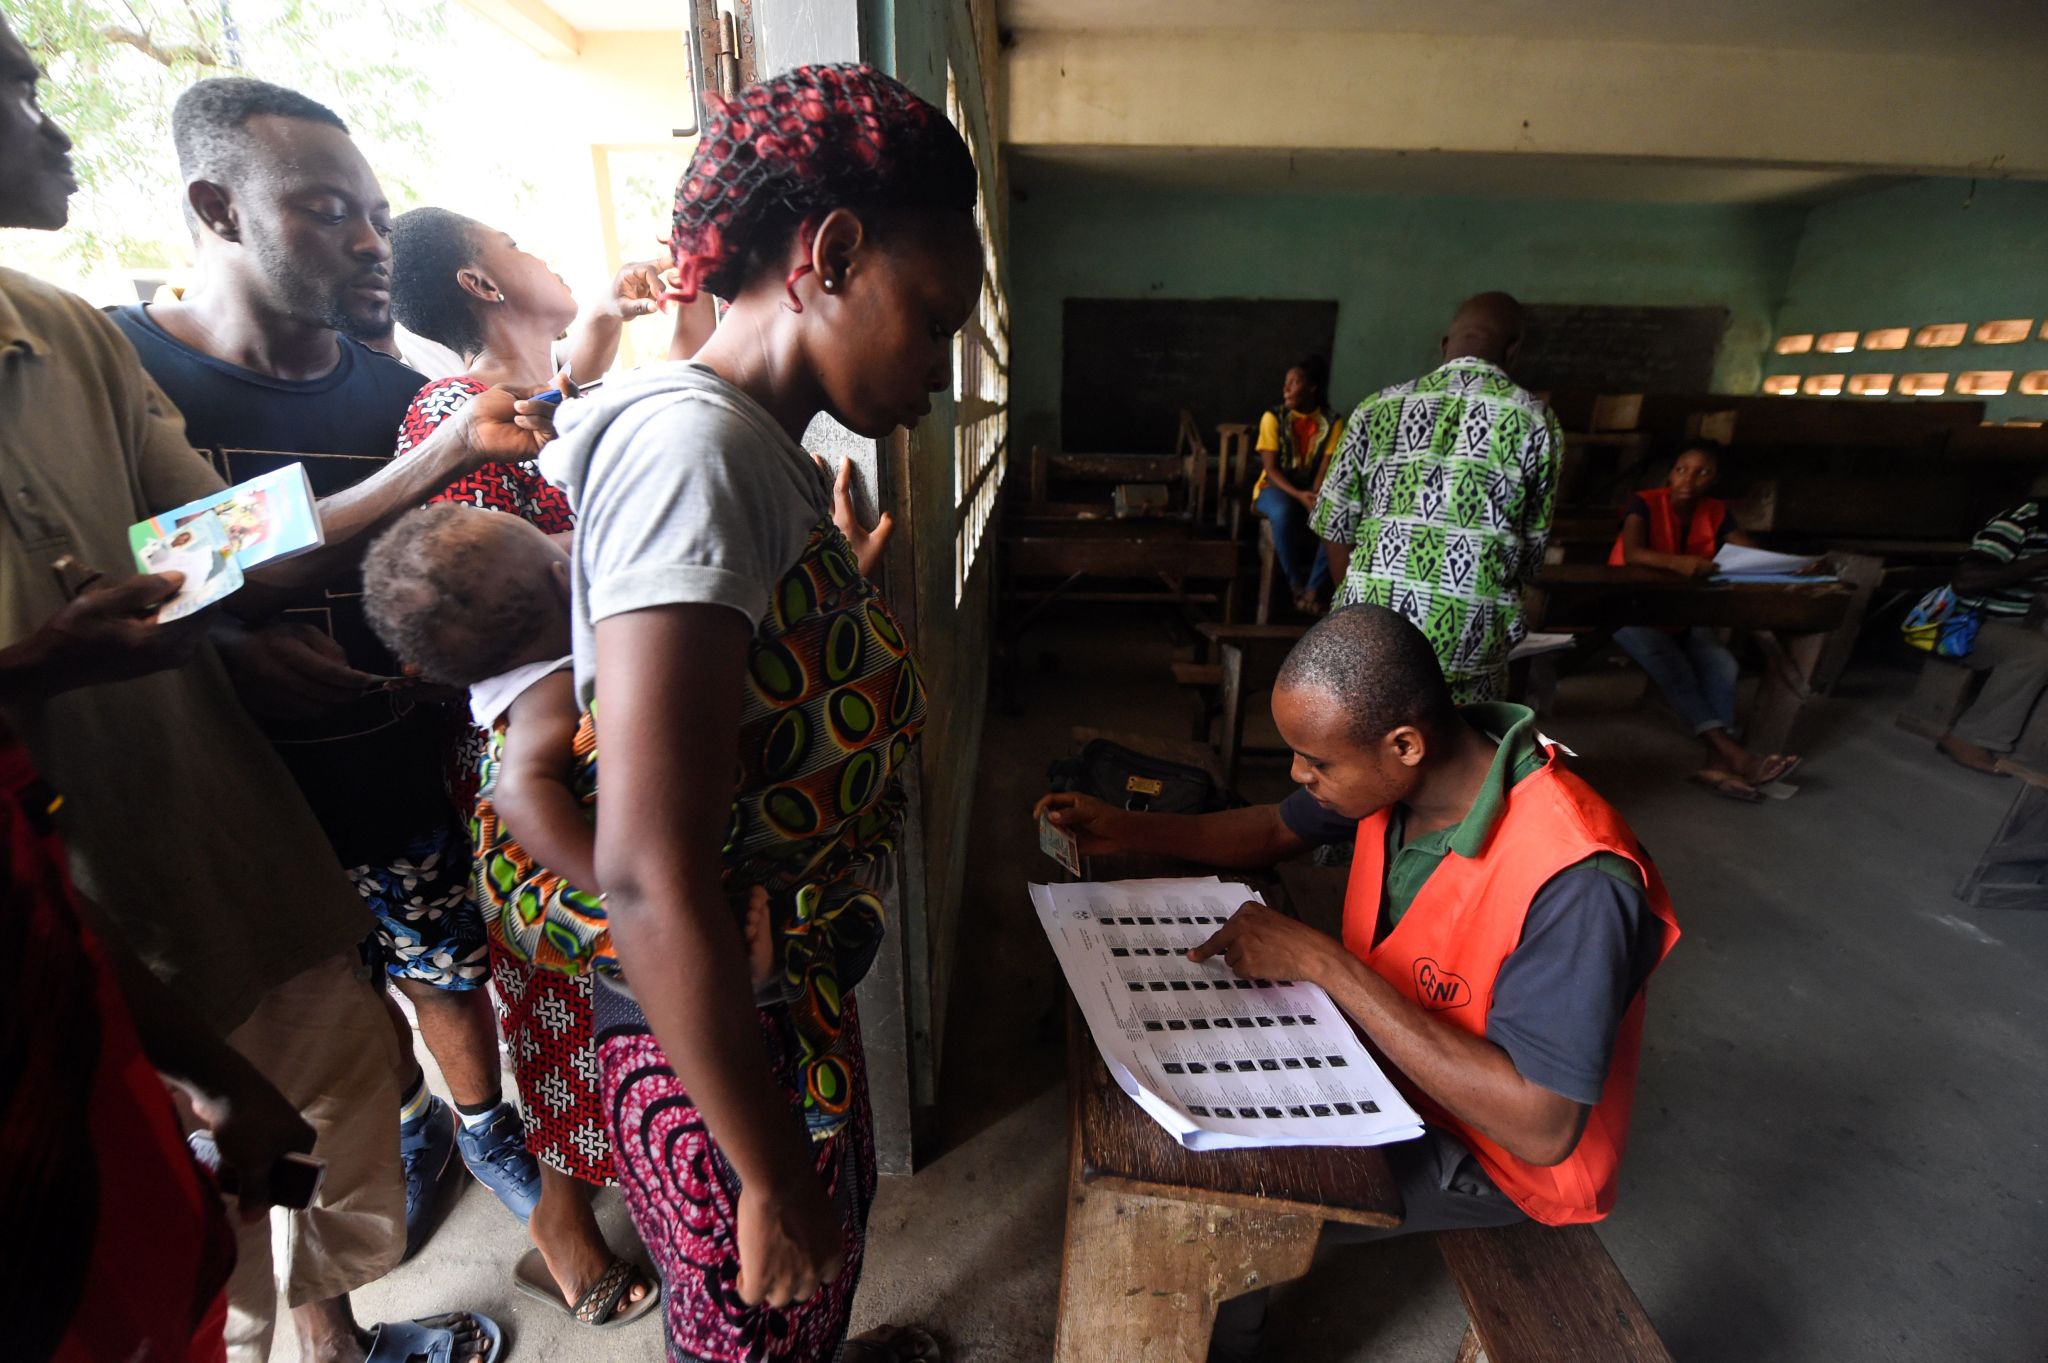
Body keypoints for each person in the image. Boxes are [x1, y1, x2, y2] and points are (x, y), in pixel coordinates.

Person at [0, 27, 541, 1363]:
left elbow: (197, 555)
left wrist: (222, 647)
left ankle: (332, 1340)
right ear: (215, 211)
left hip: (224, 849)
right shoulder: (130, 335)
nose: (53, 117)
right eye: (15, 88)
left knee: (295, 1146)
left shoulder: (63, 337)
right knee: (137, 1240)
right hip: (55, 913)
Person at [535, 63, 975, 1363]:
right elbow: (646, 866)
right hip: (711, 1035)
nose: (942, 374)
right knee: (751, 1326)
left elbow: (754, 699)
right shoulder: (698, 450)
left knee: (801, 1311)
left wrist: (840, 595)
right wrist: (769, 1173)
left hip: (773, 994)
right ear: (832, 253)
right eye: (935, 319)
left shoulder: (758, 455)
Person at [1036, 604, 1679, 1362]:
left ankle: (1226, 1339)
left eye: (1316, 763)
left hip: (1491, 1154)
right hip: (1385, 1067)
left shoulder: (1577, 878)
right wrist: (1128, 827)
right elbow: (1277, 827)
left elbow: (1542, 1127)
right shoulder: (1405, 773)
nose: (1302, 777)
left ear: (1405, 743)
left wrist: (1324, 964)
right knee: (1181, 1095)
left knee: (1218, 1193)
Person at [1311, 293, 1561, 701]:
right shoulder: (1535, 420)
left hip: (1372, 633)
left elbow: (1334, 526)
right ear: (1513, 349)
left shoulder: (1376, 408)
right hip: (1471, 638)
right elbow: (1531, 555)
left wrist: (1355, 613)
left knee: (1370, 738)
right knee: (1463, 747)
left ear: (1445, 345)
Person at [1609, 441, 1800, 800]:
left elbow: (1748, 553)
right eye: (1682, 469)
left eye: (1702, 472)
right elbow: (1633, 552)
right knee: (1672, 664)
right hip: (1628, 609)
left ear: (1714, 479)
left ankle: (1716, 763)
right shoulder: (1644, 503)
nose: (1689, 479)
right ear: (1670, 472)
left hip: (1684, 611)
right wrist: (1677, 563)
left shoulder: (1716, 511)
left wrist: (1795, 565)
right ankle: (1733, 753)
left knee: (1722, 663)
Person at [1938, 500, 2048, 774]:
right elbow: (1965, 580)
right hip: (1967, 627)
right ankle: (1968, 739)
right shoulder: (2021, 522)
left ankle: (2031, 749)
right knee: (2037, 651)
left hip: (2025, 623)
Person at [1251, 356, 1345, 613]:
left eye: (1295, 382)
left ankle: (1313, 591)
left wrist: (1314, 497)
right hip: (1274, 489)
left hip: (1310, 490)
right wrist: (1300, 497)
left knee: (1334, 518)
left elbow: (1325, 468)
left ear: (1312, 387)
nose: (1287, 388)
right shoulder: (1272, 417)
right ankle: (1295, 585)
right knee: (1283, 512)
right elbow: (1270, 471)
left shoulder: (1333, 421)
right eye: (1286, 382)